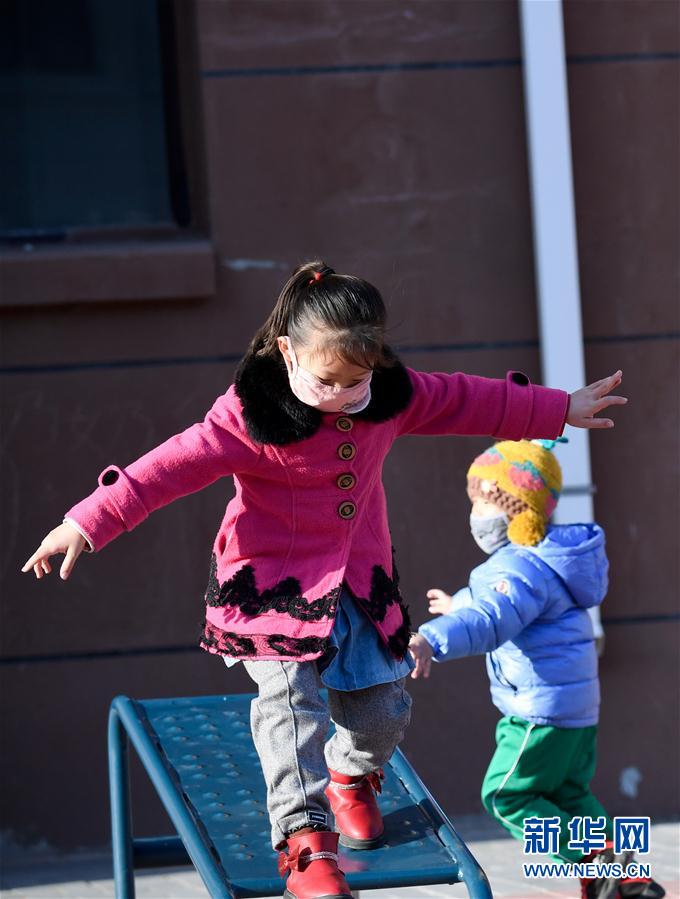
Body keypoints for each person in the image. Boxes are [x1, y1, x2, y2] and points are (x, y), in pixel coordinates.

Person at [22, 262, 626, 899]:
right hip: (269, 591)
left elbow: (462, 398)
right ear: (287, 352)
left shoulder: (387, 399)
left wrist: (558, 408)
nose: (341, 395)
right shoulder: (248, 417)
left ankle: (350, 776)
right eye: (326, 381)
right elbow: (165, 468)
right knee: (291, 707)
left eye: (355, 382)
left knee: (382, 711)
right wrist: (85, 522)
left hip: (358, 584)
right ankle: (304, 844)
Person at [409, 439, 663, 899]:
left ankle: (598, 861)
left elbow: (491, 618)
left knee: (508, 795)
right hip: (578, 709)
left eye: (482, 502)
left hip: (537, 712)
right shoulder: (547, 561)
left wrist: (432, 637)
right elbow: (503, 605)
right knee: (570, 795)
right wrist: (458, 604)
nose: (474, 514)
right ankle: (631, 877)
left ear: (514, 509)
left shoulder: (516, 568)